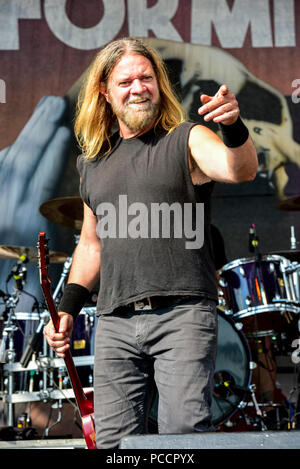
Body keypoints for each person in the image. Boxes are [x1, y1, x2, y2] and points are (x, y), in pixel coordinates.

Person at [44, 37, 258, 449]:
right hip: (114, 322)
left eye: (146, 77)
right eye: (126, 82)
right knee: (113, 445)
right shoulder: (92, 163)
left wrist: (232, 126)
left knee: (182, 441)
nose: (138, 88)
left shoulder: (186, 138)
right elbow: (91, 245)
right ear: (104, 92)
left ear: (159, 84)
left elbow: (240, 170)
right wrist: (69, 307)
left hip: (182, 315)